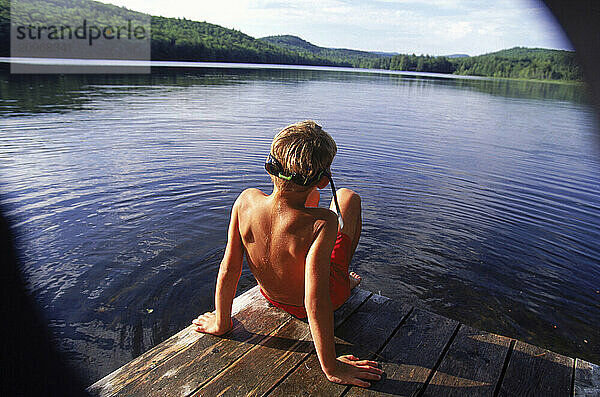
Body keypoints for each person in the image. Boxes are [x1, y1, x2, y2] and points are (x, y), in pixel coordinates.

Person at [192, 120, 382, 387]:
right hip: (327, 297)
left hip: (271, 295)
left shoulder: (245, 201)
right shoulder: (322, 222)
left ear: (270, 166)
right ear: (324, 180)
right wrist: (331, 366)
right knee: (348, 198)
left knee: (310, 204)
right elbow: (315, 299)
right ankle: (344, 280)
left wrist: (222, 322)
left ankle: (339, 277)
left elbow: (229, 268)